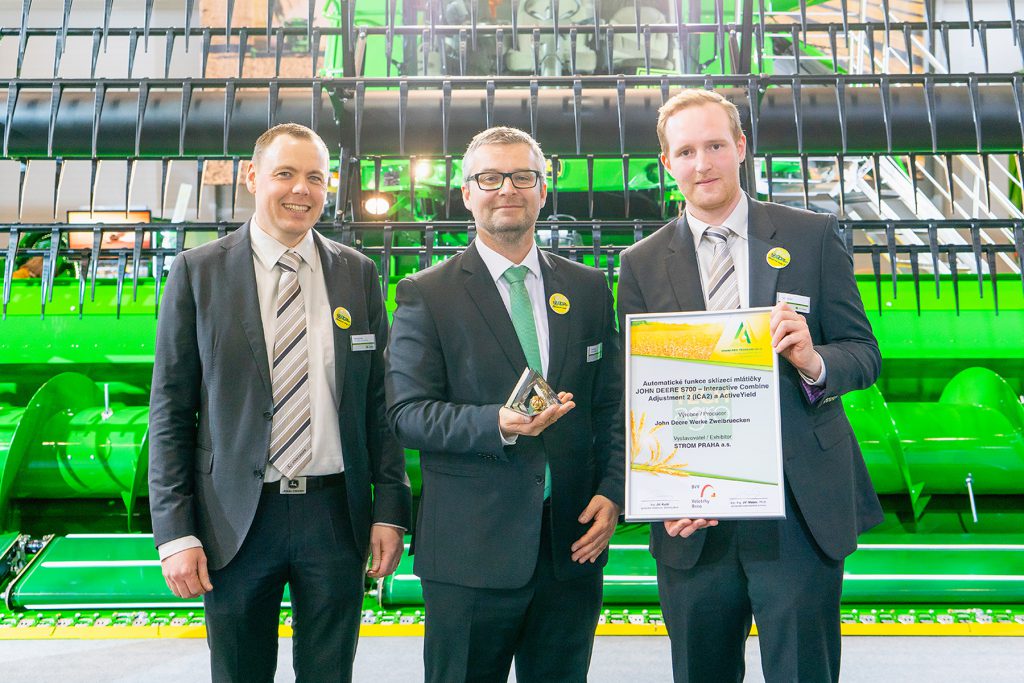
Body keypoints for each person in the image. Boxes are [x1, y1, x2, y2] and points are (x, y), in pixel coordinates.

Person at [616, 89, 882, 682]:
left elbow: (863, 354)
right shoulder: (640, 263)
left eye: (715, 145)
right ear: (667, 164)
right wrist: (659, 495)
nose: (702, 163)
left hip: (797, 508)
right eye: (685, 151)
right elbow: (634, 395)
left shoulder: (811, 235)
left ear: (740, 147)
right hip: (694, 516)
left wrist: (814, 360)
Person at [148, 123, 411, 683]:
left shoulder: (357, 275)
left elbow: (377, 403)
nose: (302, 190)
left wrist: (390, 508)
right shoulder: (198, 273)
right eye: (285, 174)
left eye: (315, 177)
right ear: (252, 178)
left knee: (329, 673)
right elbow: (170, 412)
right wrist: (175, 531)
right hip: (235, 519)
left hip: (334, 516)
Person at [385, 126, 624, 682]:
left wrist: (613, 492)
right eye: (489, 178)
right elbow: (406, 414)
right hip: (471, 553)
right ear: (467, 193)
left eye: (522, 176)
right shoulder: (427, 292)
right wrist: (497, 423)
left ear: (544, 189)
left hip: (572, 547)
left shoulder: (588, 288)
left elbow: (610, 406)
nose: (506, 189)